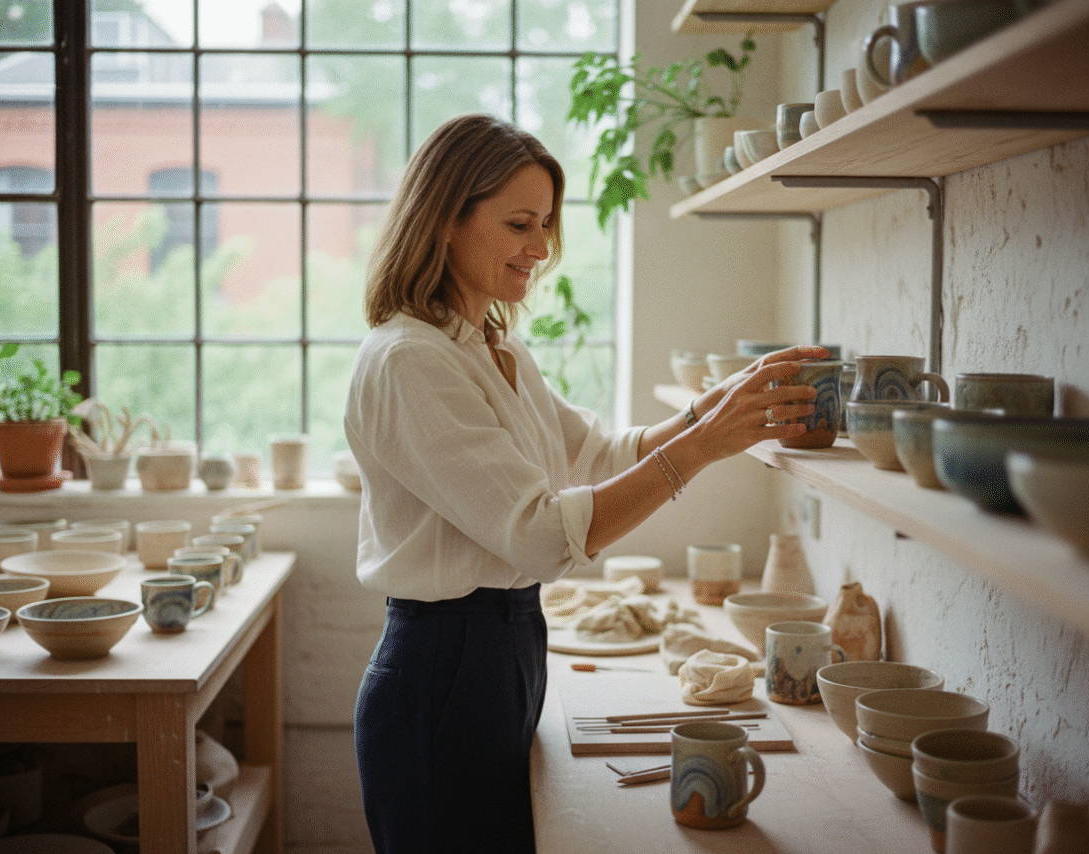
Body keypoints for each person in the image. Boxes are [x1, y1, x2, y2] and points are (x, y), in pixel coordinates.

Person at [344, 112, 827, 854]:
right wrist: (703, 443)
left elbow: (602, 455)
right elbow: (542, 537)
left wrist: (721, 406)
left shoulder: (493, 350)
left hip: (504, 649)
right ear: (444, 219)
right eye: (518, 224)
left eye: (545, 223)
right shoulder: (410, 360)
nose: (540, 248)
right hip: (443, 672)